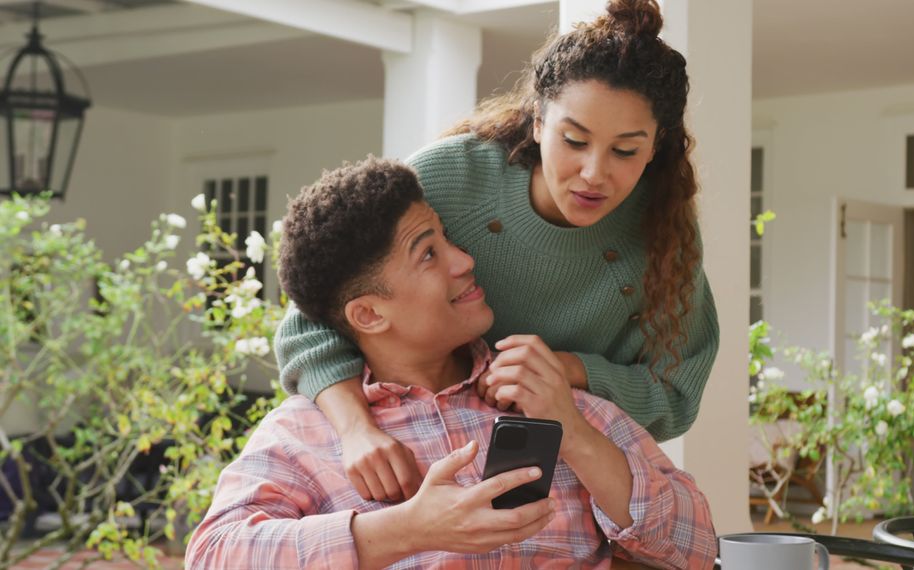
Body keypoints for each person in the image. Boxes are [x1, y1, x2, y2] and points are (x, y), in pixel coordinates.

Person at [274, 0, 719, 503]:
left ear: (656, 146)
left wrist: (568, 370)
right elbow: (321, 304)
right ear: (538, 123)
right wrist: (355, 429)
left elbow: (676, 393)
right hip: (414, 442)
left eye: (624, 151)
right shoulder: (451, 177)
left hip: (568, 478)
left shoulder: (664, 231)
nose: (595, 173)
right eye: (574, 140)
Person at [186, 157, 718, 569]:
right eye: (428, 253)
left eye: (447, 239)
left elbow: (696, 546)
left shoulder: (556, 399)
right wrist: (406, 530)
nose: (465, 261)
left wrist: (573, 434)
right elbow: (213, 554)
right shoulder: (304, 433)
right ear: (368, 314)